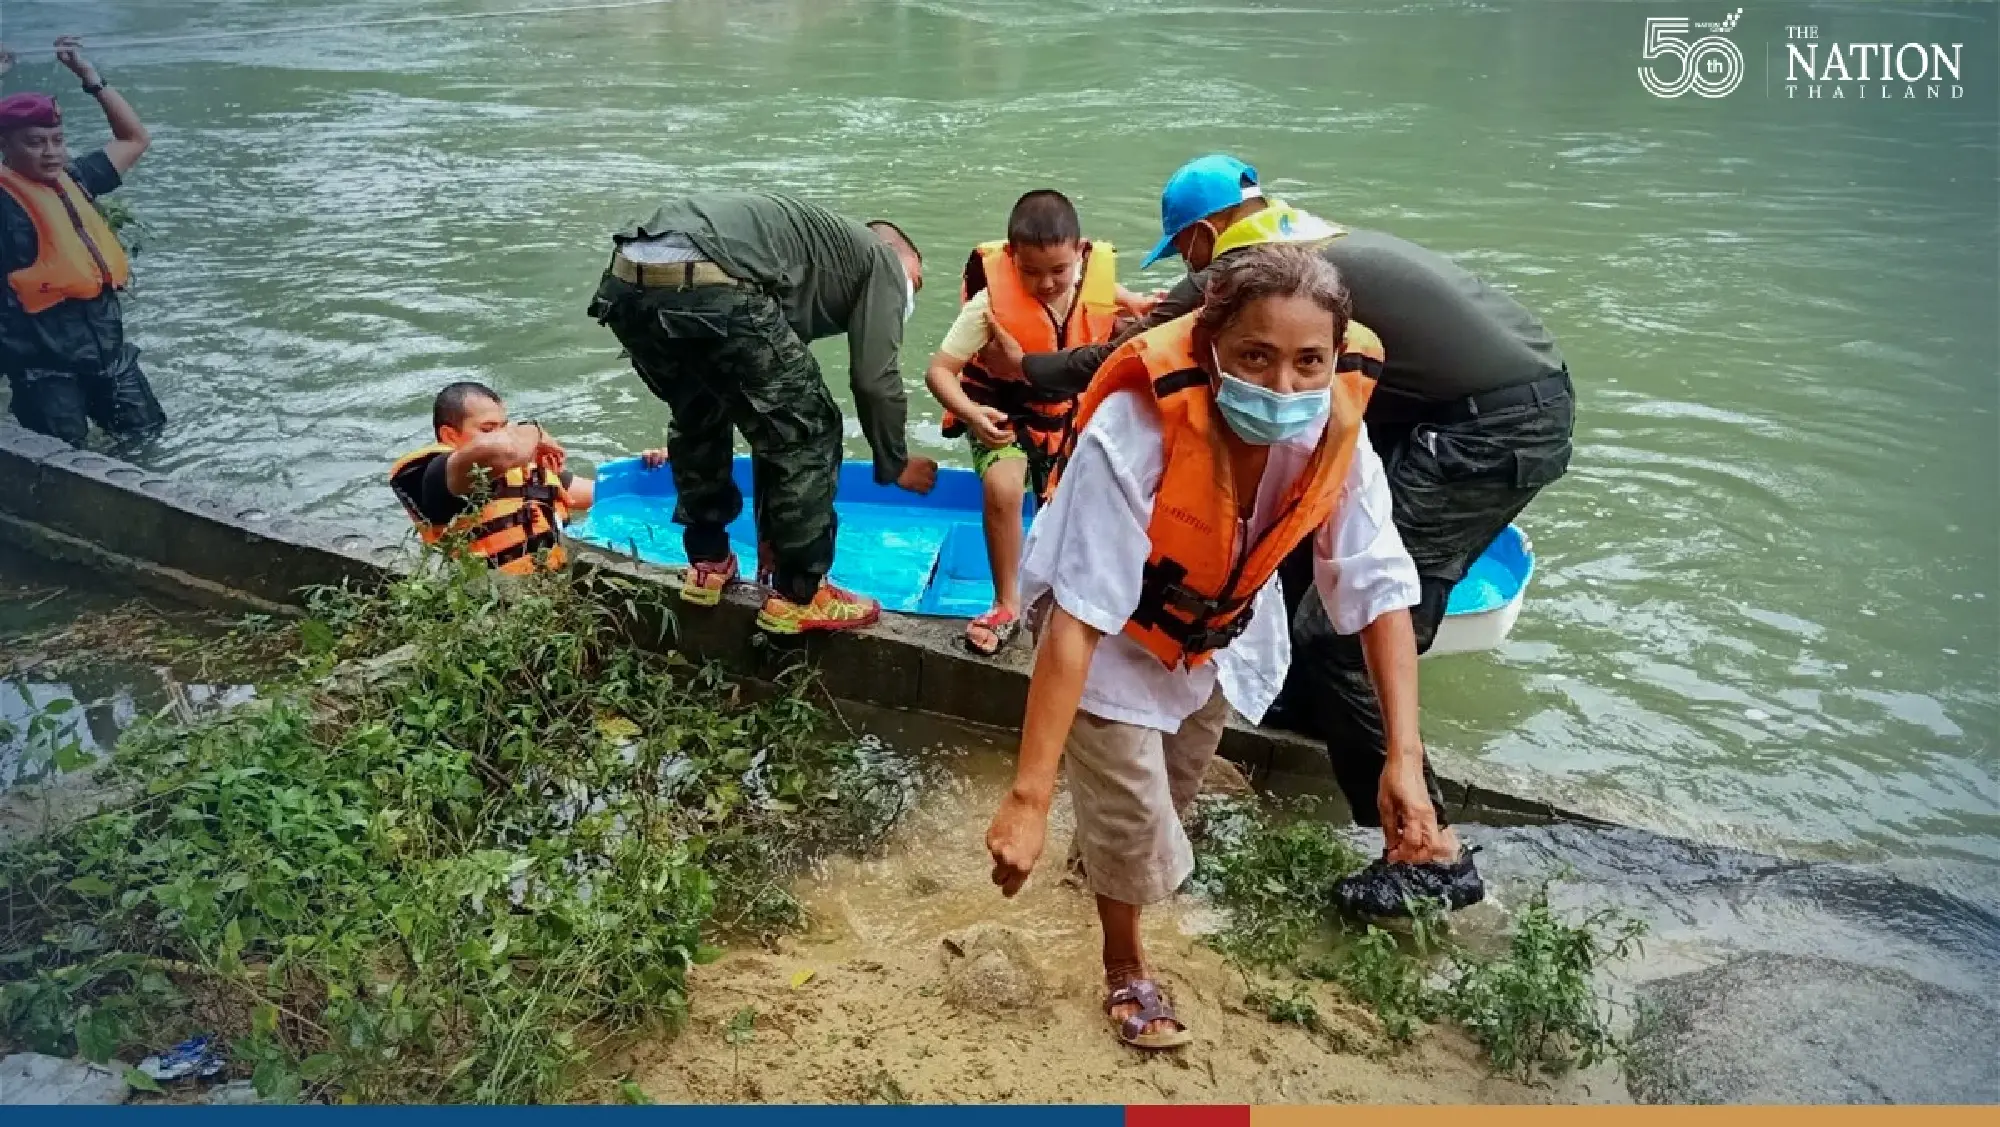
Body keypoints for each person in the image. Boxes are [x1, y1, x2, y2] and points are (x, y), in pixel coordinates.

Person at [1012, 155, 1576, 917]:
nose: (1186, 270)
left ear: (1206, 238)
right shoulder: (1293, 257)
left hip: (1489, 423)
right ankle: (1318, 720)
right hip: (1496, 394)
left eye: (1184, 252)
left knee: (1339, 633)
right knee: (1302, 563)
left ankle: (1423, 843)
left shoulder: (1254, 278)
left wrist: (1023, 367)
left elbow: (1118, 355)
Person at [984, 245, 1426, 1049]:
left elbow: (1377, 585)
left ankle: (1097, 869)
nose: (1283, 386)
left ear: (1334, 357)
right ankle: (1124, 963)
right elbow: (1081, 617)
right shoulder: (1138, 424)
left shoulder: (1337, 428)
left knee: (1169, 796)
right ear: (1211, 345)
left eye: (1308, 361)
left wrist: (1403, 754)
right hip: (1109, 643)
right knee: (1138, 822)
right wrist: (1029, 795)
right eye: (1256, 355)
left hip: (1221, 634)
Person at [588, 193, 939, 635]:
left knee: (701, 410)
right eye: (917, 283)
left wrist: (770, 536)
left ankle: (708, 560)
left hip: (626, 281)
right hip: (709, 279)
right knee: (813, 428)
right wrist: (895, 463)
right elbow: (874, 381)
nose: (911, 294)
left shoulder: (802, 256)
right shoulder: (881, 261)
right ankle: (802, 595)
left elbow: (767, 423)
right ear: (899, 257)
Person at [923, 189, 1142, 657]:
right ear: (1010, 259)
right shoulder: (987, 305)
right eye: (1031, 272)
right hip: (1003, 415)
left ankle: (1073, 600)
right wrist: (971, 414)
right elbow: (939, 370)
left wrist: (1142, 310)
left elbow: (1123, 308)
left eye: (1058, 271)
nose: (1046, 284)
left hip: (1067, 419)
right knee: (1003, 489)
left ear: (1081, 255)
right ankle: (1005, 604)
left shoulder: (1095, 286)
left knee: (1082, 503)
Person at [0, 37, 160, 448]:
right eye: (35, 143)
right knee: (61, 460)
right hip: (45, 370)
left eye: (57, 140)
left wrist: (90, 78)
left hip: (108, 357)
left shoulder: (76, 178)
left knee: (147, 437)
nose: (51, 152)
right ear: (5, 146)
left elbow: (134, 139)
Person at [389, 382, 625, 574]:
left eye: (504, 426)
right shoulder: (436, 477)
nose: (502, 435)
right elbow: (503, 451)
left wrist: (653, 466)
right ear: (449, 435)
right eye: (488, 428)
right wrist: (535, 430)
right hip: (492, 607)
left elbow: (610, 495)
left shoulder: (526, 473)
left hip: (555, 591)